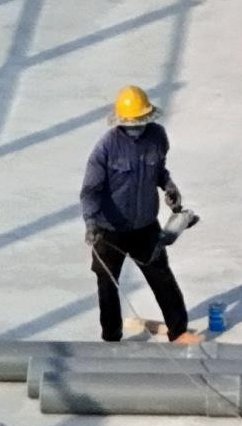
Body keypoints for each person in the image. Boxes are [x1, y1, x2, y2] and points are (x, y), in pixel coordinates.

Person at [80, 83, 196, 344]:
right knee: (107, 284)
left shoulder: (157, 137)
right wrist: (90, 223)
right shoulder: (106, 148)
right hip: (109, 229)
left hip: (144, 226)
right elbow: (90, 191)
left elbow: (158, 170)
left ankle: (179, 331)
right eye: (131, 122)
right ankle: (111, 337)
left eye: (141, 120)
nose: (137, 126)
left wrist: (168, 186)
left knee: (161, 277)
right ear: (121, 121)